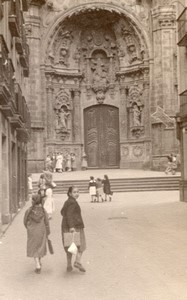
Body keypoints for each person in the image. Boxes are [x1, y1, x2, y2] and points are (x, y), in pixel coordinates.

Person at [61, 186, 86, 273]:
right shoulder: (73, 203)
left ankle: (68, 265)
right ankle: (78, 262)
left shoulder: (67, 201)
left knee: (69, 246)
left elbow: (62, 212)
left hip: (66, 227)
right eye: (74, 192)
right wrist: (72, 226)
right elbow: (69, 214)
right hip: (75, 227)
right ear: (70, 193)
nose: (76, 194)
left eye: (78, 192)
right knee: (81, 245)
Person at [24, 194, 50, 274]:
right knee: (40, 246)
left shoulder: (29, 210)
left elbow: (25, 221)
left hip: (32, 231)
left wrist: (28, 227)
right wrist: (47, 230)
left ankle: (37, 265)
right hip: (41, 231)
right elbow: (47, 222)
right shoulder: (43, 210)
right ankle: (39, 261)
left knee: (33, 247)